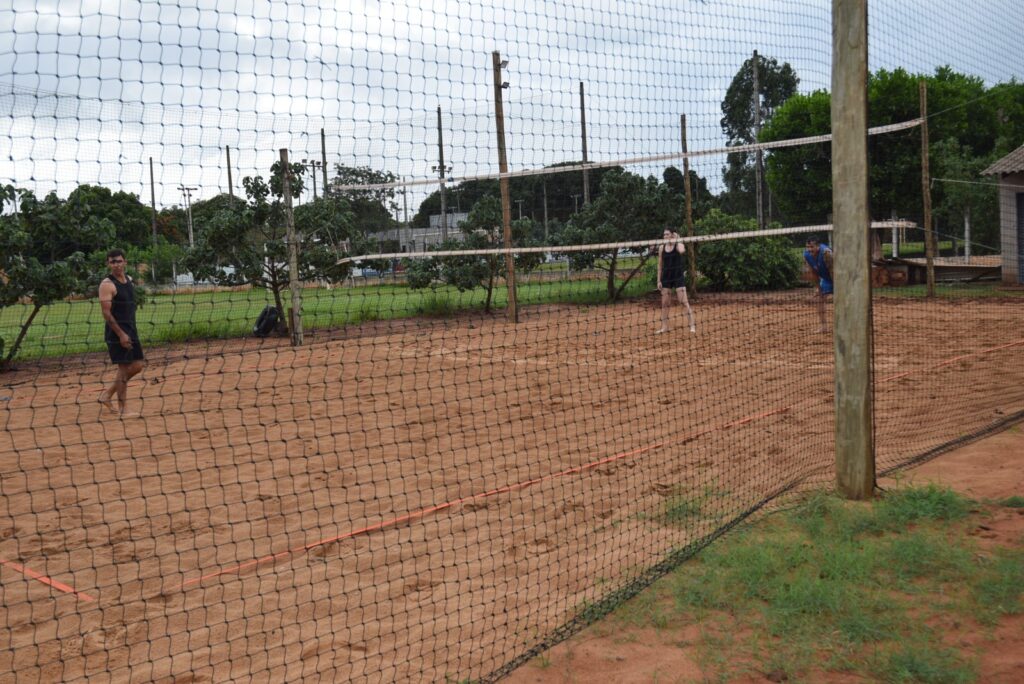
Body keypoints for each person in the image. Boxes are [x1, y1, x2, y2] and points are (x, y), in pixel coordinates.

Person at [98, 249, 145, 416]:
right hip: (116, 332)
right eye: (112, 262)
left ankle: (107, 394)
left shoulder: (130, 280)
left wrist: (129, 331)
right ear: (108, 264)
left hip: (131, 329)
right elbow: (106, 313)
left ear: (125, 262)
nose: (116, 264)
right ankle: (123, 410)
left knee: (138, 365)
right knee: (124, 369)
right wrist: (121, 334)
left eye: (118, 261)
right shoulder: (106, 285)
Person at [656, 229, 696, 334]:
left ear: (672, 235)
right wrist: (658, 280)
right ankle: (664, 327)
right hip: (666, 277)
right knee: (665, 303)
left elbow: (682, 251)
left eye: (667, 234)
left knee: (683, 301)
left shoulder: (678, 245)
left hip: (678, 276)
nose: (665, 236)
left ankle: (692, 325)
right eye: (664, 234)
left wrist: (678, 239)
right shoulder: (661, 248)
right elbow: (660, 265)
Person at [803, 237, 834, 333]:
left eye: (812, 247)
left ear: (818, 246)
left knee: (842, 301)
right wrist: (819, 288)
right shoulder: (806, 255)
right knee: (819, 300)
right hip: (826, 278)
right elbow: (813, 273)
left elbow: (833, 271)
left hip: (839, 277)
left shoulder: (826, 253)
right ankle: (823, 327)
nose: (809, 249)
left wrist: (838, 289)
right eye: (807, 247)